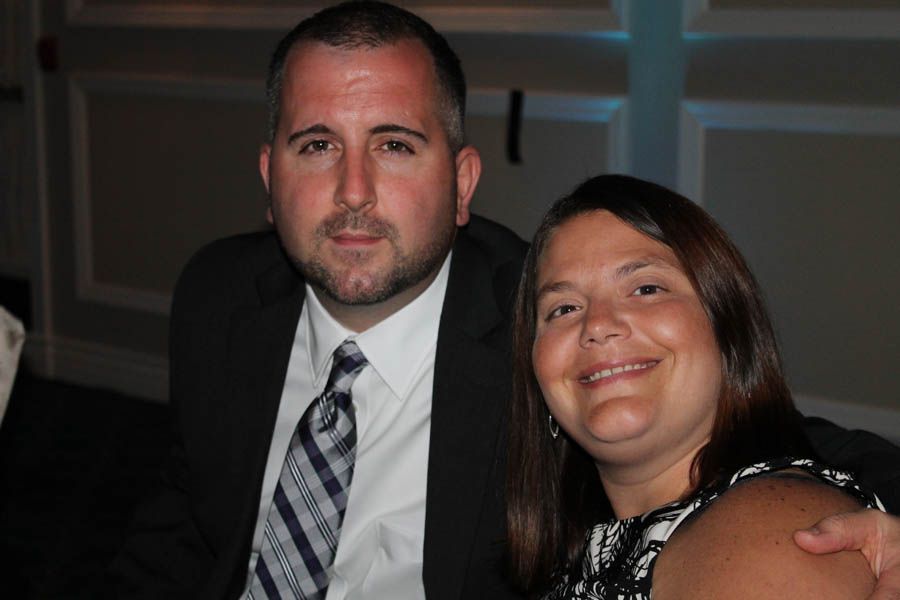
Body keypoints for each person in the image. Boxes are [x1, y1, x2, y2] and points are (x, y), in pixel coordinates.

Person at [107, 2, 900, 599]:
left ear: (461, 184)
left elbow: (752, 421)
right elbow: (190, 510)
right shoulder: (217, 296)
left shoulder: (545, 322)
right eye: (317, 146)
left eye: (394, 144)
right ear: (269, 179)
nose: (353, 192)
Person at [505, 174, 893, 599]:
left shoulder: (771, 534)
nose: (596, 325)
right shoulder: (579, 544)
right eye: (563, 308)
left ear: (729, 333)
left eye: (646, 288)